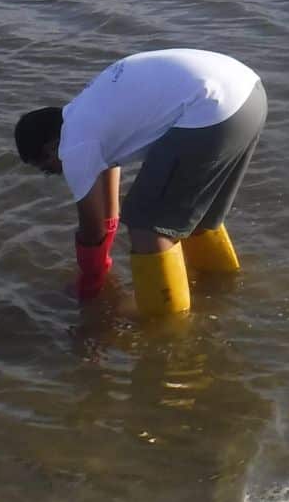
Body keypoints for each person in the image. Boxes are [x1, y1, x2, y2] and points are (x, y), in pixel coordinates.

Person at [14, 49, 267, 314]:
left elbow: (92, 231)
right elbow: (109, 214)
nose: (55, 172)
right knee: (195, 217)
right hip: (248, 93)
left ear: (52, 147)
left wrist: (89, 286)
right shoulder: (91, 114)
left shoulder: (73, 145)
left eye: (47, 168)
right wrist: (101, 269)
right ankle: (221, 287)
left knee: (147, 225)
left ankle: (167, 323)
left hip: (210, 109)